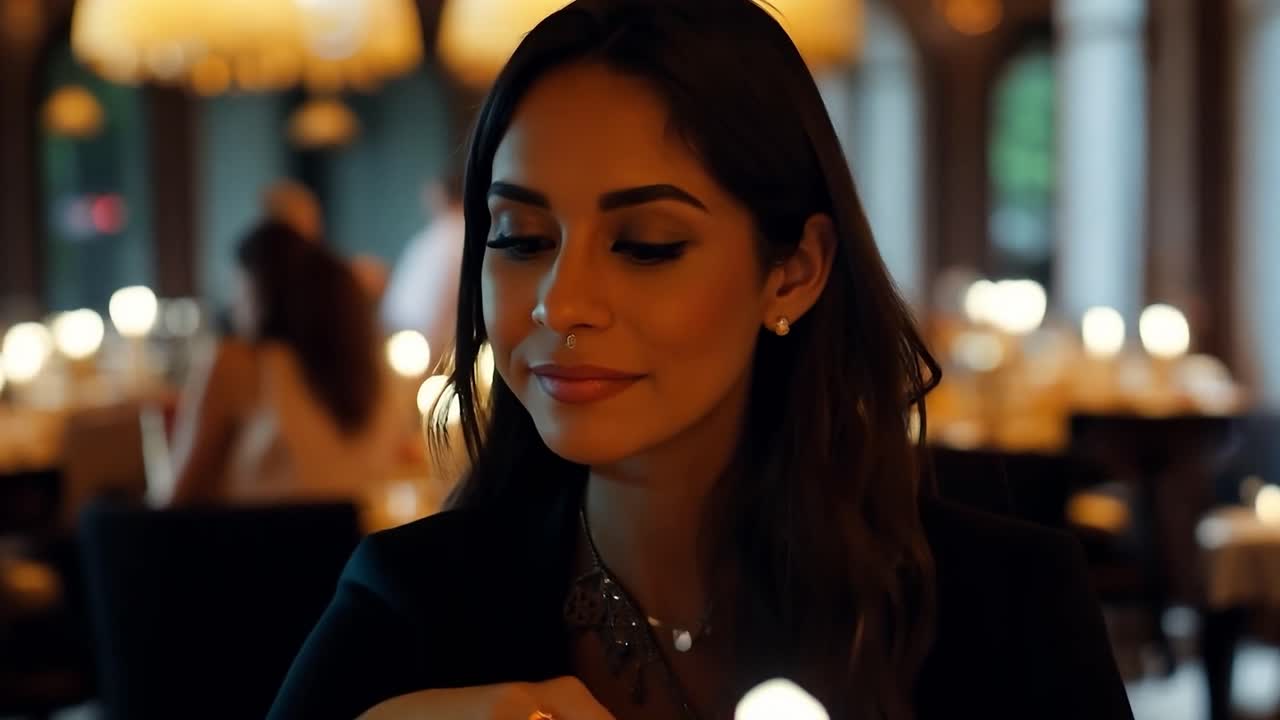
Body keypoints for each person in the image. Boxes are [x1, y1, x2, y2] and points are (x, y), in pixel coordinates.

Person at [270, 2, 1135, 719]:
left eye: (645, 245)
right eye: (522, 237)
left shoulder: (1007, 611)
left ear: (793, 271)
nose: (562, 303)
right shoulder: (412, 611)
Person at [168, 221, 402, 507]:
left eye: (238, 287)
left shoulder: (240, 362)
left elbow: (177, 497)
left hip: (253, 548)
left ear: (259, 289)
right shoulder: (368, 369)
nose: (233, 305)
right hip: (350, 546)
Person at [380, 172, 466, 371]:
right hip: (408, 342)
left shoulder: (455, 236)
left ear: (441, 194)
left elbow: (445, 294)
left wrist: (433, 346)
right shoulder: (437, 234)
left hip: (428, 348)